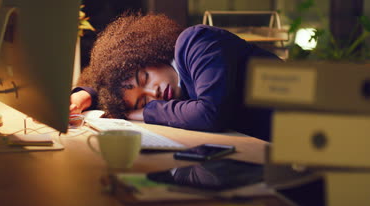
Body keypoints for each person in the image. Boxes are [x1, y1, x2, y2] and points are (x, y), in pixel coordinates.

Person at [70, 12, 280, 141]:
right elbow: (116, 87)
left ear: (148, 55)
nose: (155, 92)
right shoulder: (169, 86)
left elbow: (210, 114)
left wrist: (145, 111)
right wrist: (83, 96)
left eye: (145, 78)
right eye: (143, 100)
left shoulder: (196, 42)